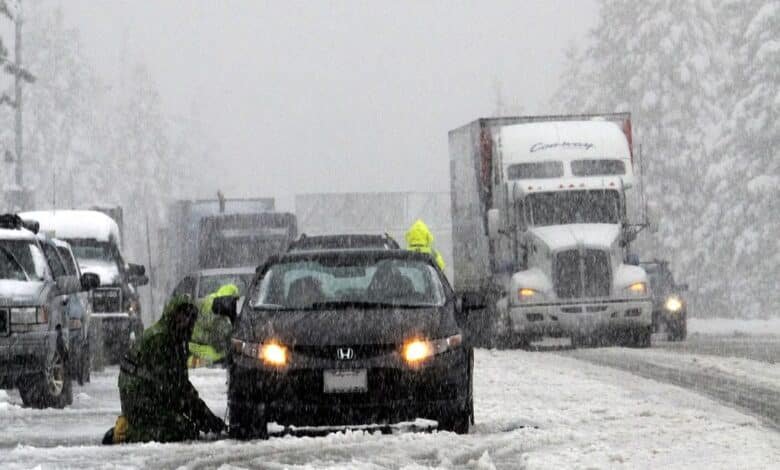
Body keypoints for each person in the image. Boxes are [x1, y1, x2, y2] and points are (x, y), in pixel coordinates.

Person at [103, 295, 225, 444]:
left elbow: (181, 384)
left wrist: (206, 418)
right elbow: (174, 388)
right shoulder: (161, 340)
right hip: (139, 397)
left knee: (185, 424)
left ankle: (138, 425)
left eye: (190, 316)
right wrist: (205, 419)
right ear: (172, 314)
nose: (186, 320)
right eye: (182, 314)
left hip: (150, 393)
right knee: (183, 430)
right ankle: (126, 432)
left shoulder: (177, 339)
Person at [188, 284, 239, 368]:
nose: (234, 305)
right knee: (220, 356)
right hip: (198, 344)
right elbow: (218, 341)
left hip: (197, 340)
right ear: (226, 300)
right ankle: (193, 363)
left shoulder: (212, 301)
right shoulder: (215, 311)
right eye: (233, 301)